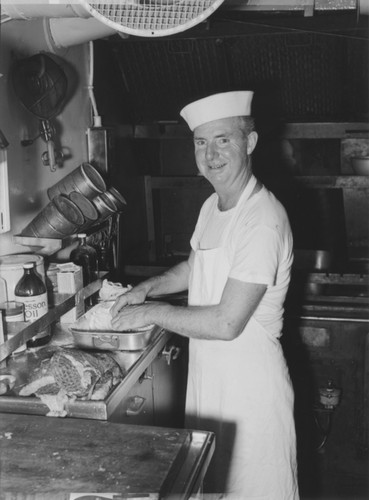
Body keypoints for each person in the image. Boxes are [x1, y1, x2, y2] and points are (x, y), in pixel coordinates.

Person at [111, 91, 299, 499]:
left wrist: (153, 313)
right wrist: (148, 288)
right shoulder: (214, 205)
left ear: (249, 143)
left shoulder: (262, 218)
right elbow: (197, 267)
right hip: (209, 382)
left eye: (223, 140)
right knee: (209, 487)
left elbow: (227, 322)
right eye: (200, 142)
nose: (211, 154)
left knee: (251, 488)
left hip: (249, 390)